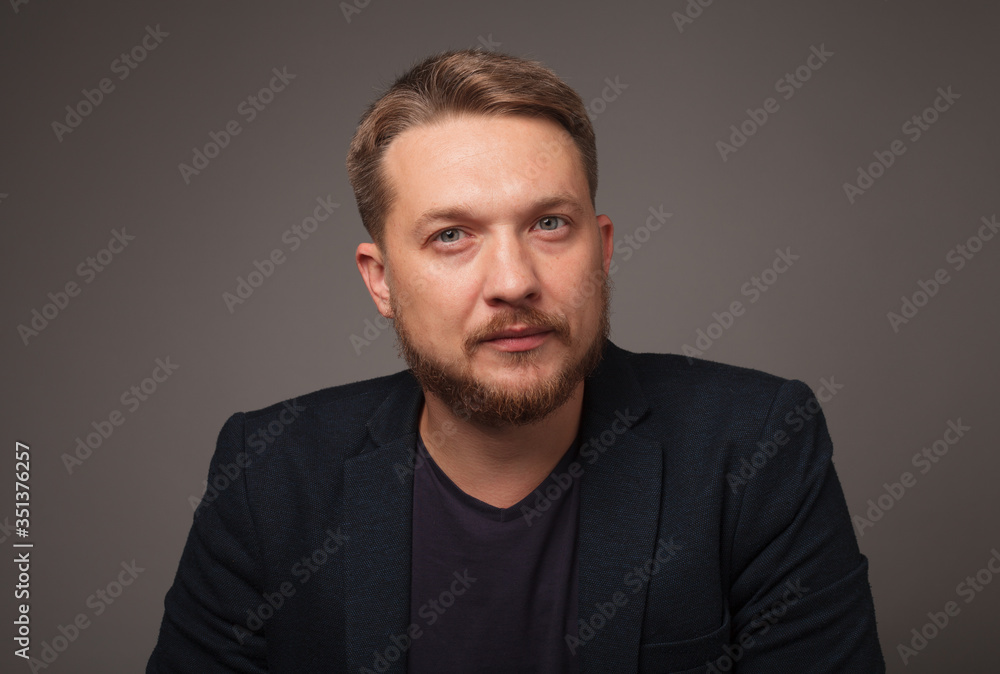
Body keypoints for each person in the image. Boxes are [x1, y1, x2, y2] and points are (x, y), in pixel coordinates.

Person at [147, 49, 886, 673]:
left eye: (550, 224)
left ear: (602, 249)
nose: (514, 282)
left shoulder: (757, 447)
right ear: (380, 281)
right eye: (451, 236)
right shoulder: (269, 475)